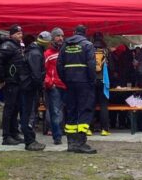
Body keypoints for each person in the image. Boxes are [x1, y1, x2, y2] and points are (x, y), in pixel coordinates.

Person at [58, 24, 97, 153]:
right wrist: (92, 81)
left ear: (74, 32)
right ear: (85, 33)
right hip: (84, 82)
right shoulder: (87, 45)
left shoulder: (65, 45)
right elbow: (91, 65)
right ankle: (81, 142)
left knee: (71, 110)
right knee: (85, 110)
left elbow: (59, 65)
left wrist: (65, 79)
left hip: (69, 82)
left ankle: (71, 143)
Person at [0, 25, 31, 147]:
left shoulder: (18, 46)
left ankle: (14, 132)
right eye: (18, 34)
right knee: (9, 109)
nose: (20, 36)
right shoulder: (7, 46)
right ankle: (6, 136)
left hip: (18, 82)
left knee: (15, 109)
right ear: (12, 35)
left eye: (21, 33)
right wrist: (1, 78)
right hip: (10, 82)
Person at [20, 33, 47, 151]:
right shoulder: (36, 53)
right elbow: (36, 73)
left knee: (29, 113)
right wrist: (40, 86)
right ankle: (29, 141)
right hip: (30, 87)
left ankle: (30, 139)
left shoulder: (33, 51)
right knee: (28, 114)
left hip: (28, 86)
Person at [43, 28, 67, 145]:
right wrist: (49, 83)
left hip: (65, 86)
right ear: (52, 38)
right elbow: (43, 71)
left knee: (65, 111)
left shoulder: (65, 52)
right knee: (55, 112)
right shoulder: (47, 53)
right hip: (54, 87)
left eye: (62, 36)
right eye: (58, 36)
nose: (61, 38)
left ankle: (64, 132)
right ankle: (57, 136)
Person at [92, 33, 113, 135]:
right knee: (104, 105)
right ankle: (104, 129)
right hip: (103, 80)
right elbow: (112, 67)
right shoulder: (106, 51)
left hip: (91, 81)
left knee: (91, 105)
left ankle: (89, 129)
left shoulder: (89, 50)